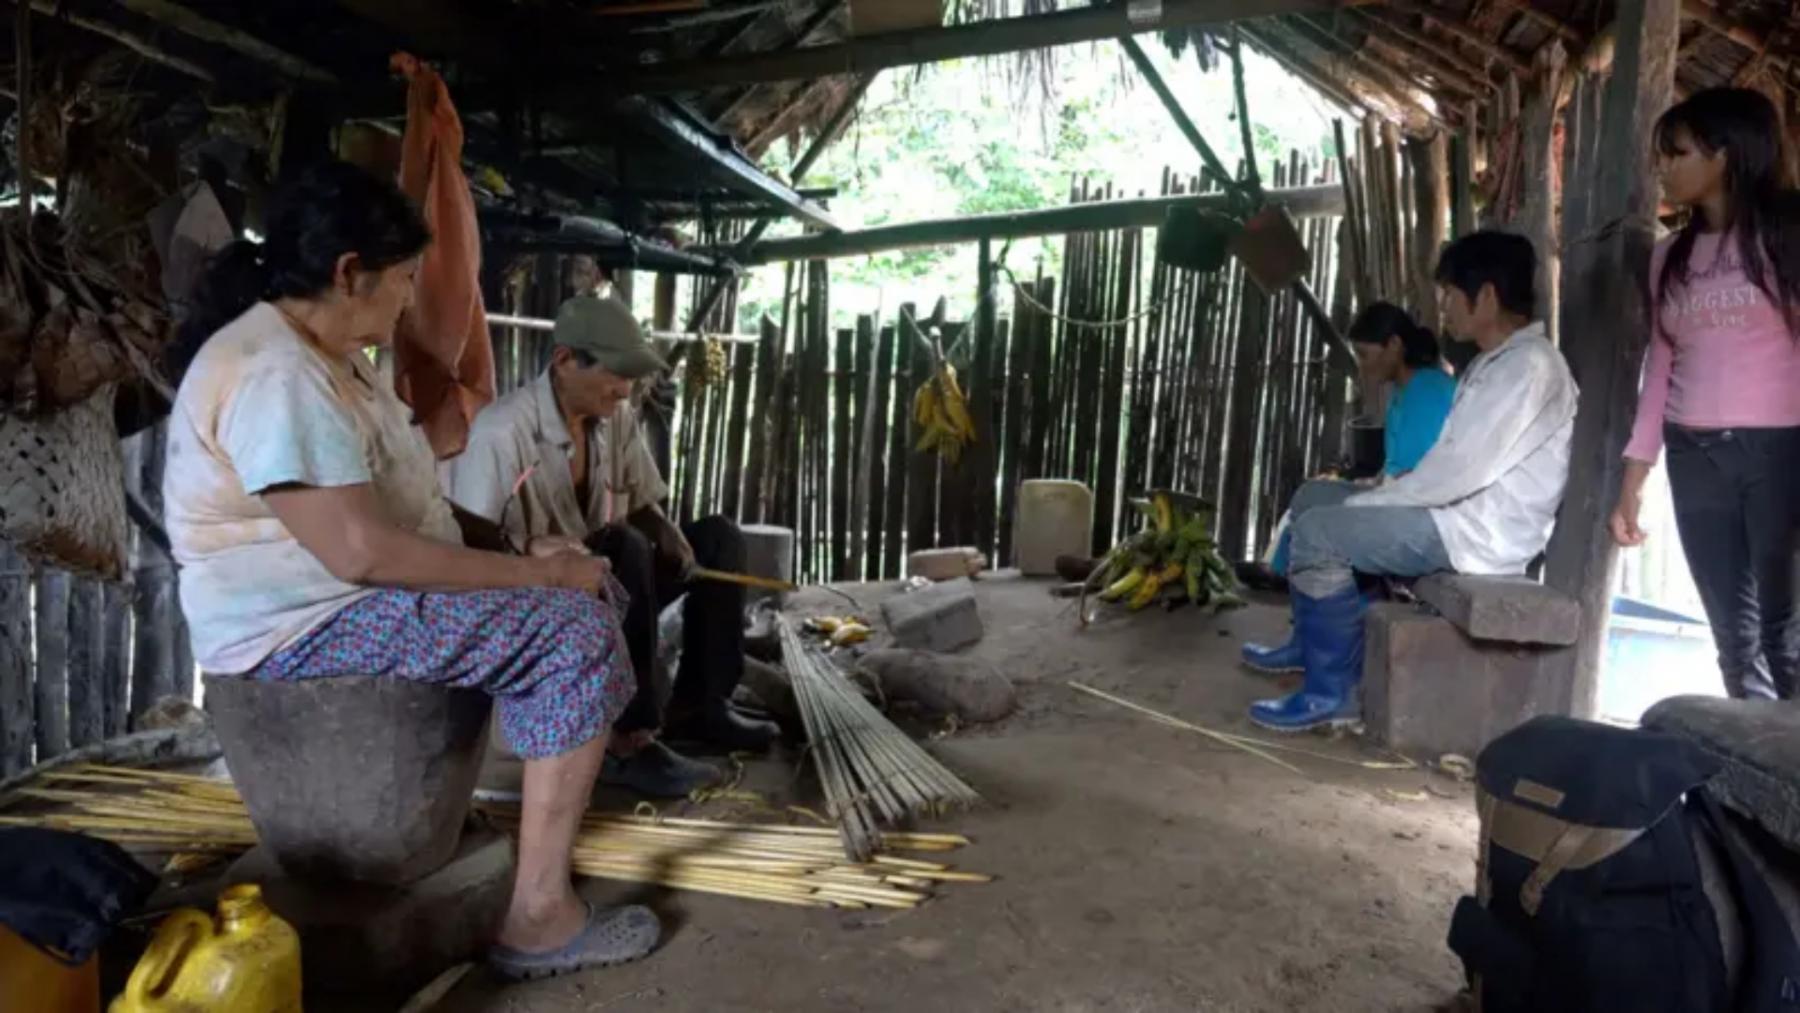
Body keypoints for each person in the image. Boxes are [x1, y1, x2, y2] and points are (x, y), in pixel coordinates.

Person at [163, 162, 657, 979]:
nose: (405, 299)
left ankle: (536, 858)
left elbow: (407, 504)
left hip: (330, 603)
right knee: (573, 631)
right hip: (295, 630)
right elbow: (359, 550)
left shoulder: (327, 355)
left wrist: (514, 551)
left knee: (586, 587)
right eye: (399, 280)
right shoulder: (276, 373)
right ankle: (537, 914)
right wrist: (537, 583)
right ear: (347, 272)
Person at [1242, 231, 1578, 732]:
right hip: (1449, 514)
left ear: (1485, 295)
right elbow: (1447, 471)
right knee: (1316, 498)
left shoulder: (1529, 368)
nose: (1442, 307)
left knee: (1319, 533)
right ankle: (1308, 648)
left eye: (1449, 294)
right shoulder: (1495, 364)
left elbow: (1457, 474)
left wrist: (1374, 501)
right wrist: (1376, 497)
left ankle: (1331, 693)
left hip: (1475, 533)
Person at [442, 296, 778, 793]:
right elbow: (468, 537)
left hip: (604, 582)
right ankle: (627, 741)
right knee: (624, 546)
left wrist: (669, 532)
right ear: (564, 361)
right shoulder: (502, 431)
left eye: (631, 374)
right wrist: (535, 554)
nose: (626, 388)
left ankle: (700, 705)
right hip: (534, 595)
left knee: (718, 539)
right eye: (616, 373)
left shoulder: (613, 417)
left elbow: (643, 498)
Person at [1610, 87, 1800, 702]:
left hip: (1781, 455)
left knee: (1788, 634)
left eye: (1678, 152)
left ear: (1724, 155)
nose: (1663, 166)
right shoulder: (1669, 257)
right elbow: (1659, 367)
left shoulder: (1790, 237)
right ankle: (1758, 786)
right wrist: (1633, 482)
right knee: (1735, 638)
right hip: (1695, 458)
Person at [1244, 300, 1456, 623]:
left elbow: (1421, 478)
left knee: (1320, 521)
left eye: (1365, 355)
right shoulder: (1403, 390)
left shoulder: (1426, 390)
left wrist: (1370, 494)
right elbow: (1399, 466)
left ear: (1394, 345)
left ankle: (1327, 614)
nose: (1362, 366)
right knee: (1310, 494)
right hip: (1397, 497)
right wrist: (1372, 483)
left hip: (1420, 514)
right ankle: (1296, 588)